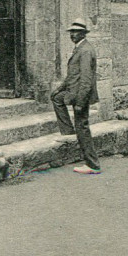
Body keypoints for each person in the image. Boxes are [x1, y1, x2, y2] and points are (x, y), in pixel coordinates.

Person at [51, 20, 101, 174]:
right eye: (71, 32)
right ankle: (68, 132)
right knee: (57, 98)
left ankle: (93, 165)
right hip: (74, 91)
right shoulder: (80, 48)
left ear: (83, 34)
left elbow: (86, 79)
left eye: (76, 32)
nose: (73, 35)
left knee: (83, 127)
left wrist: (80, 101)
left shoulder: (85, 50)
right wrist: (59, 89)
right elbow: (73, 75)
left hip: (80, 94)